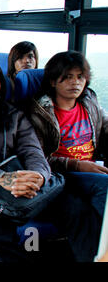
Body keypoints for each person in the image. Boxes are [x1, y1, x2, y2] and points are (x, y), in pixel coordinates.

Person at [0, 58, 102, 262]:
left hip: (24, 179)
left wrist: (39, 176)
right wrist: (1, 177)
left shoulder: (15, 115)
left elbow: (32, 150)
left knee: (78, 211)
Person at [28, 50, 108, 217]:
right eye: (68, 77)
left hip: (92, 166)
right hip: (61, 173)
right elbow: (38, 159)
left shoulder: (89, 102)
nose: (75, 83)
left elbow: (105, 126)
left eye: (80, 77)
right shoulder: (40, 113)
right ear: (53, 81)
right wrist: (77, 165)